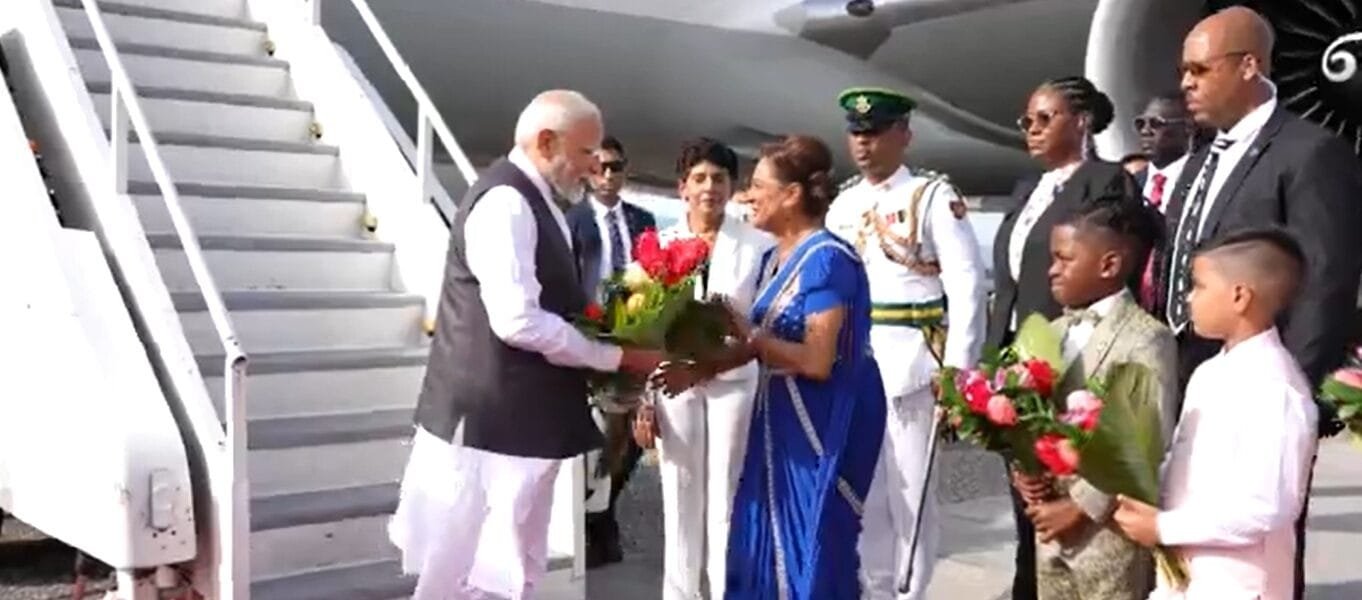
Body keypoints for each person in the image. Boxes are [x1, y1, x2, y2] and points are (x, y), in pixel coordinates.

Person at [389, 90, 662, 600]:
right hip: (495, 427)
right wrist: (616, 357)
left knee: (510, 567)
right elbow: (518, 321)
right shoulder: (508, 203)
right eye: (586, 154)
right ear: (546, 142)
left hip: (516, 424)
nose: (593, 168)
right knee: (470, 571)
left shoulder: (540, 202)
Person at [1157, 11, 1362, 595]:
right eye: (1183, 71)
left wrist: (1292, 391)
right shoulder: (1202, 156)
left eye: (1200, 69)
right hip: (1189, 378)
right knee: (1189, 538)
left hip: (1257, 391)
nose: (1186, 84)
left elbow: (1327, 282)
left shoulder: (1310, 152)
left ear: (1249, 66)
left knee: (1255, 546)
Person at [824, 87, 987, 600]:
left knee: (911, 495)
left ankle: (909, 592)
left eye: (873, 134)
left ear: (903, 135)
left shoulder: (932, 196)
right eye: (856, 134)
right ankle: (873, 589)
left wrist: (957, 370)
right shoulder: (845, 202)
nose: (863, 144)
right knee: (865, 492)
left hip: (914, 363)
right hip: (857, 363)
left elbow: (966, 285)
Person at [713, 135, 887, 599]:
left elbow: (816, 360)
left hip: (823, 417)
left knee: (815, 538)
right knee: (764, 535)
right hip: (780, 415)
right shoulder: (773, 258)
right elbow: (762, 342)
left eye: (758, 185)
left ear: (791, 195)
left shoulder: (826, 259)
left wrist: (748, 334)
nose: (748, 196)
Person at [987, 75, 1136, 600]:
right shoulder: (1028, 189)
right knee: (1026, 490)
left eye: (1044, 119)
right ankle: (1028, 583)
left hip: (1069, 356)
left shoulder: (1104, 181)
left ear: (1082, 121)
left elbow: (1107, 268)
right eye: (1026, 120)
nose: (1032, 129)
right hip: (1017, 358)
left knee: (1068, 490)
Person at [1114, 227, 1318, 600]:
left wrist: (1163, 527)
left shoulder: (1275, 388)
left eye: (1199, 286)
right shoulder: (1209, 372)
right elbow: (1183, 460)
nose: (1190, 298)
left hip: (1240, 584)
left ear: (1240, 296)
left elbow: (1266, 509)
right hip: (1185, 578)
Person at [1011, 193, 1178, 600]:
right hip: (1048, 522)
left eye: (1064, 259)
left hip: (1109, 533)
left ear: (1109, 264)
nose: (1052, 271)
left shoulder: (1145, 339)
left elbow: (1141, 440)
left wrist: (1081, 507)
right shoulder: (1050, 331)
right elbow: (1021, 411)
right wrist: (1025, 468)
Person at [640, 138, 774, 600]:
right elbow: (643, 327)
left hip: (733, 380)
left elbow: (765, 319)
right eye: (699, 178)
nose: (709, 187)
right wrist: (644, 400)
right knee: (679, 493)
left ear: (733, 187)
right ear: (682, 188)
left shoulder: (759, 245)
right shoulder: (661, 245)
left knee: (726, 498)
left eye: (719, 178)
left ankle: (725, 592)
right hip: (674, 382)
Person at [565, 135, 657, 568]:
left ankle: (605, 511)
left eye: (615, 167)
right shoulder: (571, 220)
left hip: (636, 338)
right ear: (586, 171)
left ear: (626, 170)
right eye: (599, 167)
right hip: (589, 339)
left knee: (634, 437)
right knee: (598, 437)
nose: (607, 176)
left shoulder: (643, 219)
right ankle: (595, 521)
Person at [1131, 93, 1196, 313]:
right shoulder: (1129, 185)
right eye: (1140, 123)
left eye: (1156, 124)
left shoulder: (1202, 181)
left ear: (1187, 129)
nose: (1145, 131)